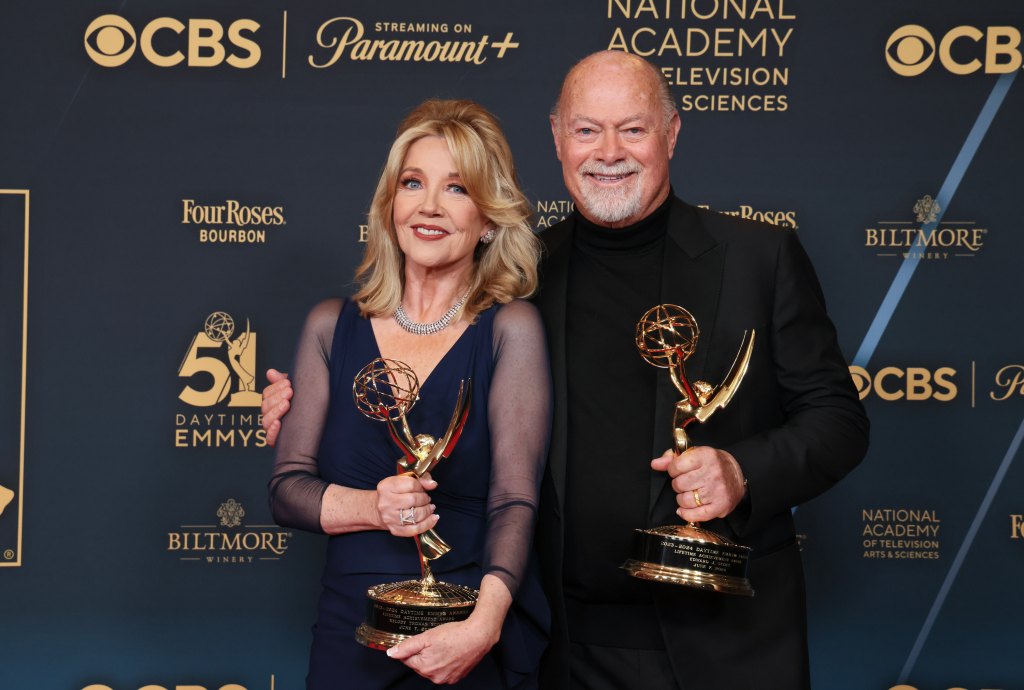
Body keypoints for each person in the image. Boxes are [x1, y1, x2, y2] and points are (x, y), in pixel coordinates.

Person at [265, 52, 869, 689]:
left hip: (722, 643)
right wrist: (310, 405)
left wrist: (743, 471)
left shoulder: (759, 257)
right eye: (587, 130)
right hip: (562, 648)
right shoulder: (519, 282)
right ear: (557, 138)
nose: (608, 151)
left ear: (672, 132)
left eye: (632, 129)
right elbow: (433, 393)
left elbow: (838, 421)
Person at [268, 99, 551, 689]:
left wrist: (484, 625)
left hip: (464, 632)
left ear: (489, 219)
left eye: (457, 189)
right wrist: (376, 507)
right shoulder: (330, 325)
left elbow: (515, 501)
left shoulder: (509, 330)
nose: (428, 206)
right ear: (389, 203)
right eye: (413, 183)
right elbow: (287, 492)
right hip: (350, 633)